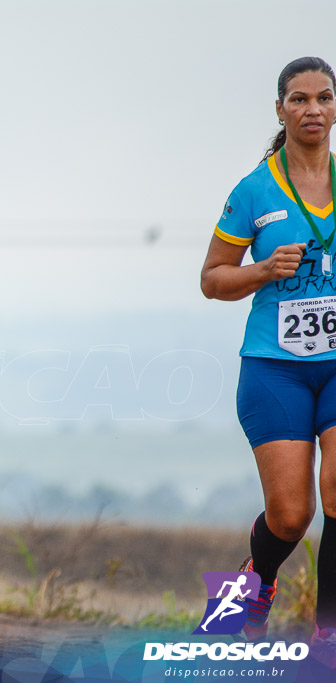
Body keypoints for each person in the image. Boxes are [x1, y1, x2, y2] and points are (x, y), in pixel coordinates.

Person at [201, 57, 336, 658]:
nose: (314, 109)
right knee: (291, 515)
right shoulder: (253, 189)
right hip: (274, 368)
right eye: (300, 99)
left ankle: (327, 634)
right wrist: (260, 270)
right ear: (280, 109)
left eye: (325, 98)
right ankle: (251, 587)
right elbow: (212, 279)